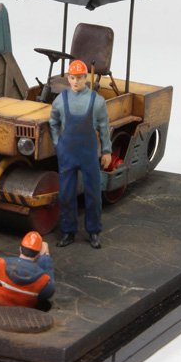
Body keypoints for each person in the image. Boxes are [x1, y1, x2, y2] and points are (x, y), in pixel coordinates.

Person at [49, 59, 112, 249]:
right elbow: (53, 122)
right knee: (66, 194)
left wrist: (107, 151)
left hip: (88, 154)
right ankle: (68, 231)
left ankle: (94, 231)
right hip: (67, 154)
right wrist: (57, 144)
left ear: (86, 78)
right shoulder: (60, 100)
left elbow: (104, 128)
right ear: (68, 78)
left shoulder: (97, 101)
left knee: (93, 193)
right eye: (72, 78)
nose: (75, 81)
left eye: (79, 77)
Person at [0, 231, 55, 309]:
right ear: (38, 254)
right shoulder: (43, 278)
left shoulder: (0, 264)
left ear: (20, 249)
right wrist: (45, 258)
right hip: (22, 314)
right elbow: (48, 293)